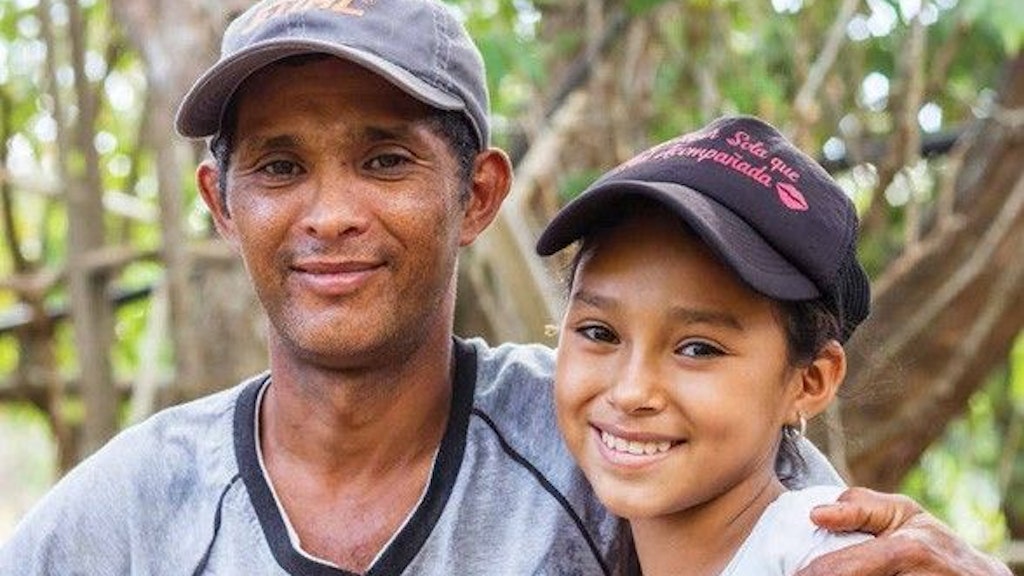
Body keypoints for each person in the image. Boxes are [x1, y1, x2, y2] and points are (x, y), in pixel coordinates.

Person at [0, 1, 1011, 575]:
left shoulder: (604, 457)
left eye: (386, 160)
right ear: (221, 202)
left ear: (478, 195)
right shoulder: (128, 515)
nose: (330, 213)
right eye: (278, 166)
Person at [536, 115, 872, 574]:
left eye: (697, 348)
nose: (631, 392)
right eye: (599, 333)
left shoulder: (830, 560)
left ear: (809, 381)